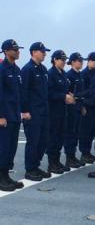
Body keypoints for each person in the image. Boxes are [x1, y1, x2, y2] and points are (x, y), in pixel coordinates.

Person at [21, 42, 51, 181]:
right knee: (33, 141)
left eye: (45, 51)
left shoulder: (43, 69)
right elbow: (23, 92)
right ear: (34, 52)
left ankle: (36, 165)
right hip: (33, 112)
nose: (45, 53)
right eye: (42, 51)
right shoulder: (27, 69)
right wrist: (25, 111)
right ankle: (30, 169)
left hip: (44, 111)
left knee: (43, 141)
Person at [0, 39, 24, 191]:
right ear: (6, 51)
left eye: (18, 49)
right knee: (3, 147)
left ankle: (6, 175)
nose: (17, 52)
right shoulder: (1, 69)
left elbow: (19, 94)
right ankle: (1, 177)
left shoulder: (16, 70)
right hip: (5, 116)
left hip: (15, 115)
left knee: (11, 148)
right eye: (14, 49)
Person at [46, 50, 75, 174]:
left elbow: (66, 89)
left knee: (60, 138)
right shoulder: (51, 74)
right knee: (53, 138)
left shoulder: (63, 74)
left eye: (64, 60)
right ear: (55, 60)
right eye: (61, 60)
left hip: (63, 110)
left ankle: (57, 161)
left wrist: (69, 95)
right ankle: (52, 163)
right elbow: (49, 93)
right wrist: (63, 96)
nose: (63, 62)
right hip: (53, 111)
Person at [64, 52, 87, 167]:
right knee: (71, 133)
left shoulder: (80, 75)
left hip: (78, 107)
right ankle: (69, 157)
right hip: (71, 108)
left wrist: (82, 106)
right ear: (72, 62)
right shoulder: (69, 75)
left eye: (82, 60)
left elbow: (79, 94)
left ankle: (73, 156)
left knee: (76, 133)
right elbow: (68, 93)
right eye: (79, 60)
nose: (81, 62)